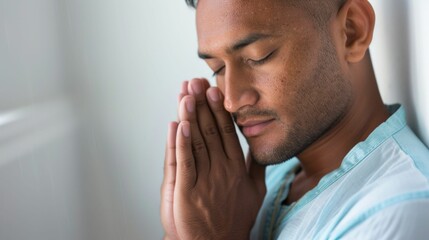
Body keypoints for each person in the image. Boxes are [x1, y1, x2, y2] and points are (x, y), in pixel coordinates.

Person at [160, 0, 429, 239]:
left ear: (351, 32)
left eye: (259, 57)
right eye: (216, 69)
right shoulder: (257, 188)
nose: (231, 99)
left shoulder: (395, 213)